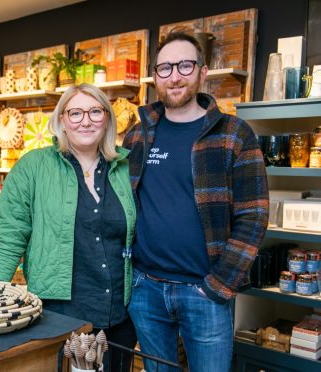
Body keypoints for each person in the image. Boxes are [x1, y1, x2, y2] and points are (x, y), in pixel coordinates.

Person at [123, 32, 269, 371]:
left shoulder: (233, 132)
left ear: (202, 73)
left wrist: (218, 286)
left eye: (184, 65)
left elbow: (255, 215)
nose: (174, 76)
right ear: (155, 76)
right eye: (165, 68)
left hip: (204, 292)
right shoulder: (138, 134)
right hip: (146, 288)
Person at [0, 83, 137, 371]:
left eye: (95, 111)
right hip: (60, 316)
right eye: (75, 112)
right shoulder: (33, 167)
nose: (86, 120)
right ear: (62, 121)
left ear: (107, 118)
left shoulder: (125, 168)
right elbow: (9, 240)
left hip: (118, 316)